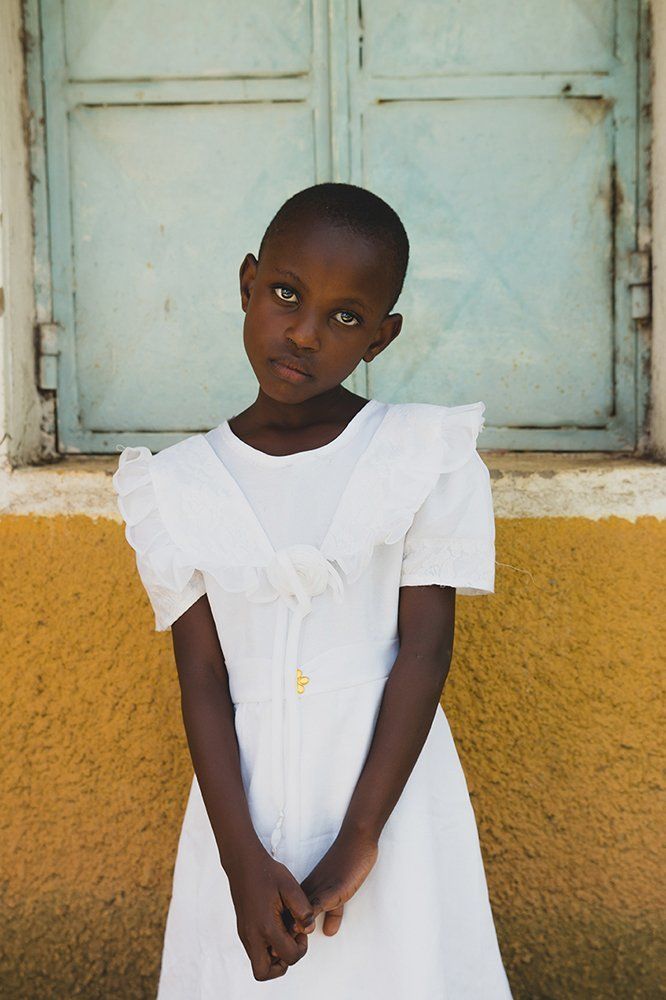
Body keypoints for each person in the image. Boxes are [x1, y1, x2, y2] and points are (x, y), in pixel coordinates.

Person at [112, 182, 513, 999]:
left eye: (345, 317)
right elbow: (203, 681)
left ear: (382, 336)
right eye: (288, 295)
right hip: (241, 813)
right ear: (248, 283)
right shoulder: (176, 487)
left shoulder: (418, 456)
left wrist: (362, 834)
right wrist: (239, 860)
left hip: (391, 796)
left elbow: (423, 653)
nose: (303, 332)